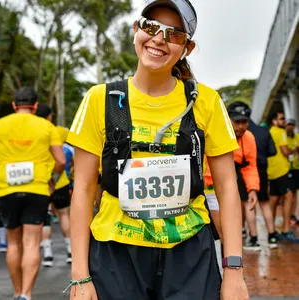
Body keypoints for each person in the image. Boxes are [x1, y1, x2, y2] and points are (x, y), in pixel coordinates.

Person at [66, 1, 249, 299]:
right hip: (116, 252)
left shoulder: (206, 101)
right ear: (136, 29)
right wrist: (79, 277)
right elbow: (84, 190)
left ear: (187, 48)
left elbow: (228, 188)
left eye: (174, 34)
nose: (159, 39)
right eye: (151, 27)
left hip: (189, 251)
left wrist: (234, 271)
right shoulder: (100, 99)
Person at [0, 87, 66, 300]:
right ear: (35, 106)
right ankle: (26, 294)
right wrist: (52, 180)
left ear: (13, 105)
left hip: (6, 189)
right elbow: (61, 161)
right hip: (37, 188)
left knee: (13, 243)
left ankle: (16, 291)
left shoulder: (1, 125)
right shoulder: (46, 126)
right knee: (30, 243)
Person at [36, 103, 72, 267]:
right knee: (64, 215)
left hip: (41, 181)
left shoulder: (34, 131)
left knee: (45, 217)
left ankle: (48, 255)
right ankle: (70, 251)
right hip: (60, 181)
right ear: (50, 116)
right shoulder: (60, 131)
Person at [226, 102, 264, 251]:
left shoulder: (248, 137)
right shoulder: (217, 134)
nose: (240, 126)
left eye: (244, 122)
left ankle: (253, 237)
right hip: (212, 184)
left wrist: (253, 189)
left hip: (240, 175)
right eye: (237, 122)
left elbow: (250, 165)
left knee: (248, 203)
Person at [248, 114, 279, 248]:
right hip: (262, 170)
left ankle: (253, 238)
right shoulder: (264, 131)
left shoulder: (242, 132)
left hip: (247, 170)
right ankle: (272, 236)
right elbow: (273, 151)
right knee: (264, 203)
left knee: (249, 205)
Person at [268, 111, 299, 242]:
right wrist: (295, 150)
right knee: (289, 198)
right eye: (281, 119)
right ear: (274, 120)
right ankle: (286, 230)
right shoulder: (280, 132)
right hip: (282, 170)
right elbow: (285, 151)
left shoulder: (269, 131)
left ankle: (272, 232)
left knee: (273, 200)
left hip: (271, 170)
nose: (284, 122)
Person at [285, 118, 299, 225]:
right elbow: (286, 151)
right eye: (288, 125)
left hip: (296, 169)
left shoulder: (297, 137)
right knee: (287, 194)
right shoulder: (283, 137)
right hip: (285, 169)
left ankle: (293, 215)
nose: (290, 127)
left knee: (295, 193)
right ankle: (287, 215)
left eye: (292, 125)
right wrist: (294, 150)